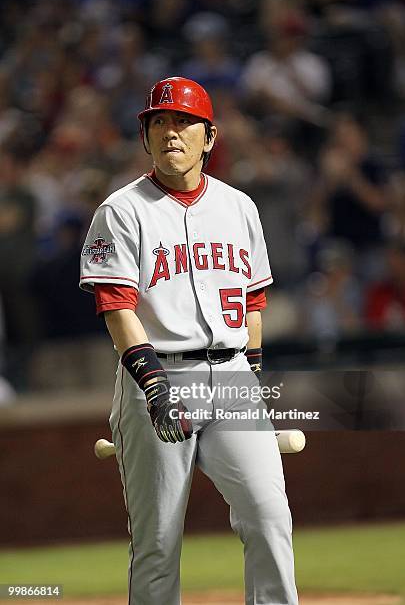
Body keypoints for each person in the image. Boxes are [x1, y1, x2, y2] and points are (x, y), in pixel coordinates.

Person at [79, 77, 298, 605]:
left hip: (232, 378)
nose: (171, 132)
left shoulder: (239, 207)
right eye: (159, 122)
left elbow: (252, 304)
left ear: (210, 136)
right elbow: (116, 308)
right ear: (146, 137)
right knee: (157, 543)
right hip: (159, 374)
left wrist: (253, 381)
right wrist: (153, 386)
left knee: (269, 515)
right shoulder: (121, 210)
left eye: (183, 121)